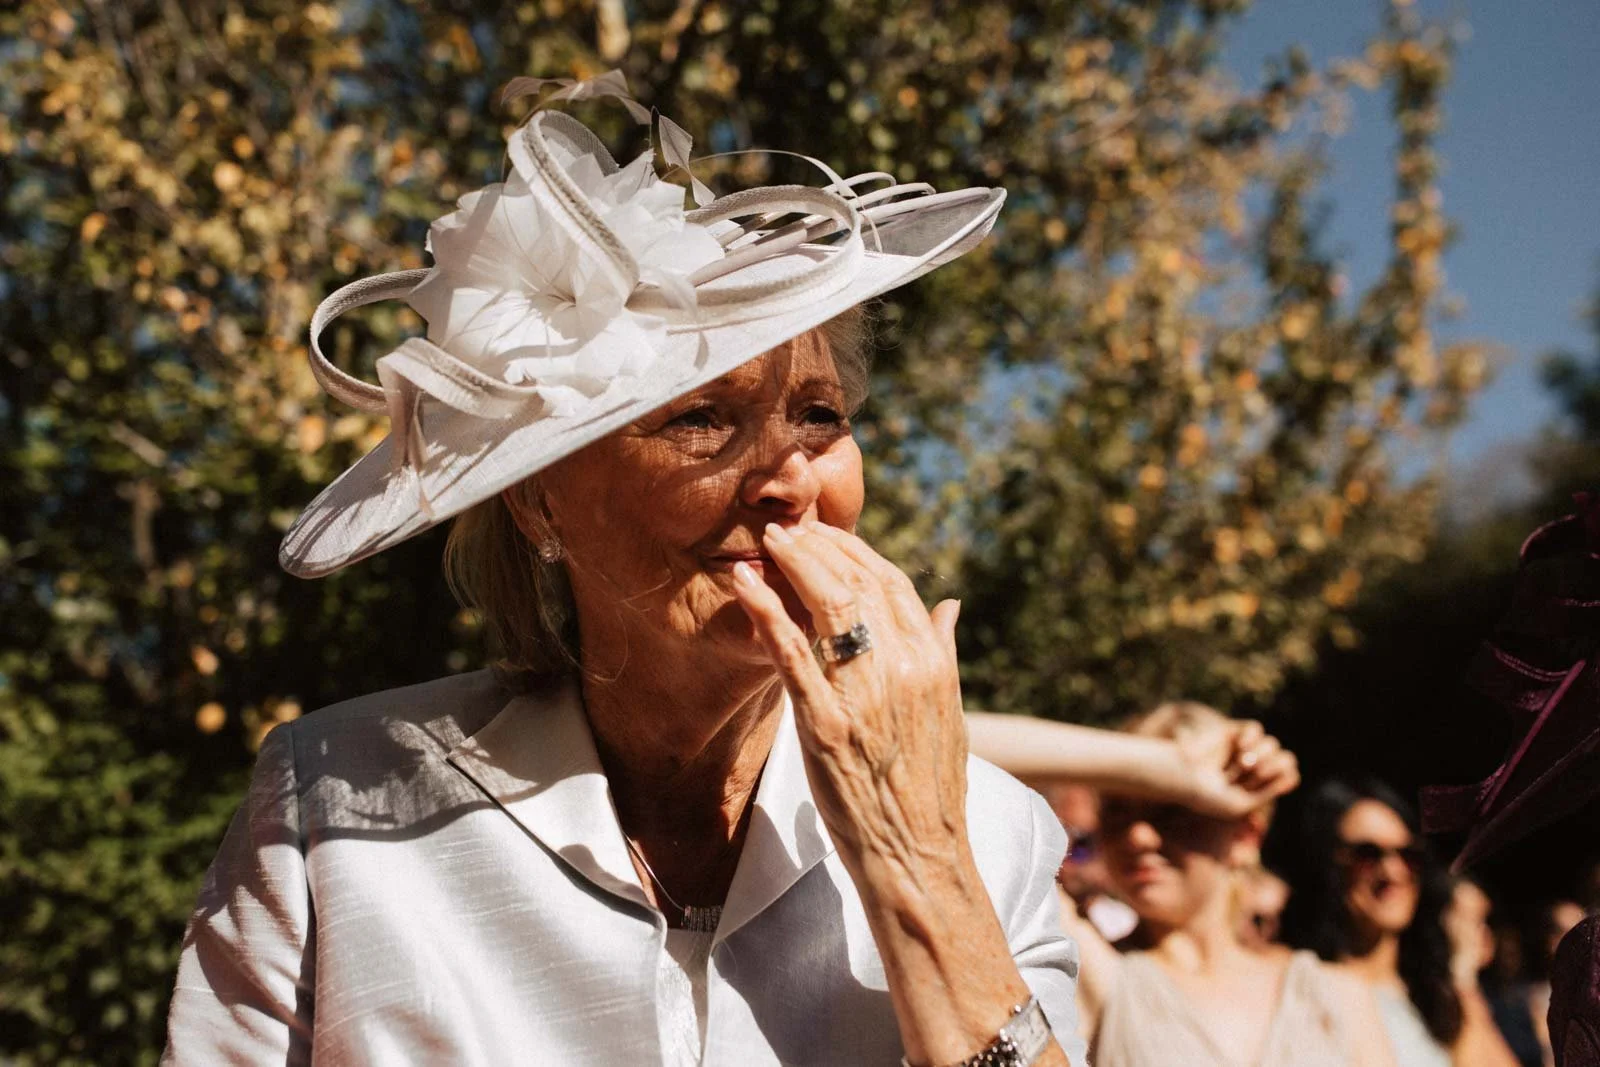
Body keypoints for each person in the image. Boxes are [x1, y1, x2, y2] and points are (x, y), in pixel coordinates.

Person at [162, 78, 1086, 1066]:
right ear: (540, 502)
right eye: (700, 418)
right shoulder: (330, 807)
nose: (788, 481)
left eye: (818, 414)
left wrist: (920, 860)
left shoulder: (993, 835)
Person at [1053, 701, 1396, 1067]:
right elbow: (981, 755)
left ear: (1245, 836)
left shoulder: (1337, 996)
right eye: (1118, 812)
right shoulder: (1094, 977)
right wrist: (1141, 762)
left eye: (1173, 809)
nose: (1138, 836)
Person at [1281, 778, 1519, 1067]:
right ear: (1327, 865)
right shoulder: (1301, 983)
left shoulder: (1435, 993)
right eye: (1367, 855)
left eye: (1409, 855)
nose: (1392, 872)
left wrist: (1461, 979)